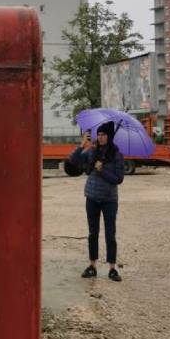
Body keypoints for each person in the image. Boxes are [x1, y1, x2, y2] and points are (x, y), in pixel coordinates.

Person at [69, 121, 125, 282]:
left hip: (109, 200)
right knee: (93, 233)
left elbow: (118, 179)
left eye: (104, 134)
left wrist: (103, 170)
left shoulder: (117, 155)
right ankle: (92, 265)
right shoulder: (92, 152)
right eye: (98, 134)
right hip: (92, 197)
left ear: (110, 136)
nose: (100, 137)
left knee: (110, 234)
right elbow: (74, 162)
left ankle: (112, 268)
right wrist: (81, 146)